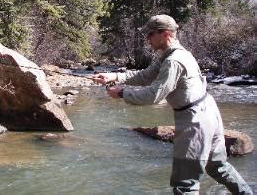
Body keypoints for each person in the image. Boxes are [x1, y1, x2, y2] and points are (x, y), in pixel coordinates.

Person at [92, 14, 252, 195]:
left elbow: (154, 95)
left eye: (151, 34)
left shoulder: (173, 61)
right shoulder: (174, 54)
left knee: (185, 185)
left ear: (166, 34)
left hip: (195, 120)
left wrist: (122, 93)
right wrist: (113, 77)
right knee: (218, 167)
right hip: (208, 112)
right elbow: (146, 75)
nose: (147, 38)